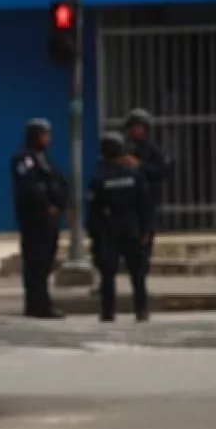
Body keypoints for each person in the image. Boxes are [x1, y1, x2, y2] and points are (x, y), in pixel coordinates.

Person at [88, 132, 153, 323]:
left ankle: (108, 312)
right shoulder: (134, 176)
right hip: (132, 229)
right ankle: (141, 309)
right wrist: (146, 229)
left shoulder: (99, 179)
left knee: (108, 273)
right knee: (137, 273)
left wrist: (94, 235)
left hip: (109, 231)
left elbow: (94, 211)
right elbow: (144, 205)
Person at [11, 117, 68, 319]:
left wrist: (62, 204)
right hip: (34, 219)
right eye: (43, 135)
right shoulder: (24, 159)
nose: (47, 139)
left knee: (46, 262)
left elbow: (58, 182)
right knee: (35, 262)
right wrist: (46, 205)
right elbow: (30, 187)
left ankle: (43, 302)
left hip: (49, 220)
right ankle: (37, 305)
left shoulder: (45, 159)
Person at [122, 108, 171, 270]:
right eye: (133, 127)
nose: (136, 130)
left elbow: (162, 171)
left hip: (147, 199)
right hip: (127, 201)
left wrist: (140, 166)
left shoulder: (152, 150)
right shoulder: (125, 148)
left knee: (145, 236)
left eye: (139, 126)